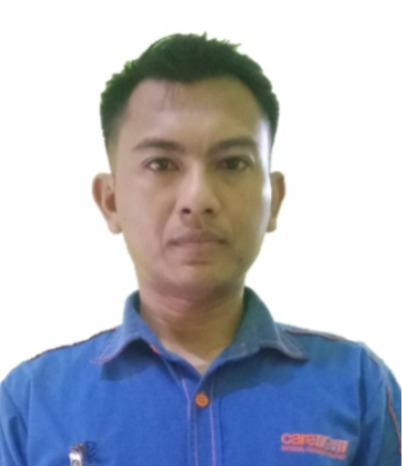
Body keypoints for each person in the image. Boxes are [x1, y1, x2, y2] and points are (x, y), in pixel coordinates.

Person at [0, 33, 400, 466]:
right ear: (110, 201)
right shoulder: (32, 403)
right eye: (161, 164)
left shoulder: (357, 385)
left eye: (232, 163)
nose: (198, 198)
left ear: (274, 200)